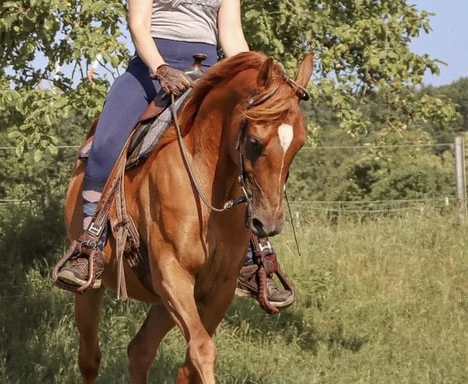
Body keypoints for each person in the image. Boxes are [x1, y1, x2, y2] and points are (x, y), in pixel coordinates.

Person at [54, 0, 295, 310]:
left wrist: (256, 83)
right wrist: (161, 69)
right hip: (148, 71)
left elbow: (233, 37)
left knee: (246, 151)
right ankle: (90, 247)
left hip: (210, 75)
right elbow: (138, 25)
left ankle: (254, 259)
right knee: (105, 144)